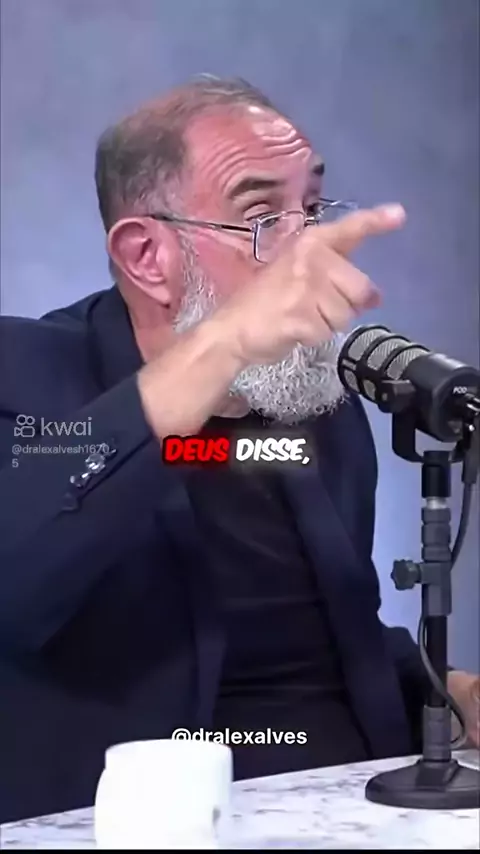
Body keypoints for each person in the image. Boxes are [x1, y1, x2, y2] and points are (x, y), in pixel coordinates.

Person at [0, 74, 478, 820]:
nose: (306, 249)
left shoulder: (312, 403)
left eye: (311, 211)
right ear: (148, 256)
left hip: (360, 809)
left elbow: (324, 635)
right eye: (262, 218)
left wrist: (446, 689)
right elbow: (18, 578)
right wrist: (220, 345)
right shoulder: (30, 377)